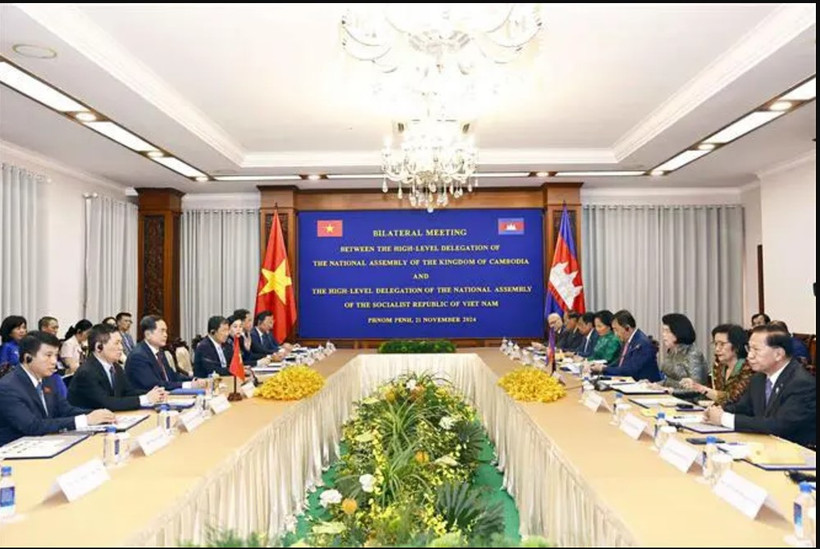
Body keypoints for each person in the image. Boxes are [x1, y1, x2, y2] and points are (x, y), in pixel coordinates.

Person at [704, 325, 816, 447]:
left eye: (756, 350)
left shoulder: (801, 383)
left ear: (778, 354)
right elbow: (743, 407)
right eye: (749, 349)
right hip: (765, 446)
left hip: (796, 453)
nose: (749, 356)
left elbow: (779, 425)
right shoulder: (759, 378)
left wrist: (725, 419)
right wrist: (717, 411)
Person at [0, 331, 115, 446]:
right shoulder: (8, 387)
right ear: (27, 358)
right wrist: (85, 420)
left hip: (45, 443)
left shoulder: (48, 379)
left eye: (56, 355)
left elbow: (65, 410)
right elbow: (32, 426)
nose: (54, 361)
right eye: (48, 355)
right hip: (15, 451)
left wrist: (97, 415)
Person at [68, 324, 166, 411]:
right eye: (117, 343)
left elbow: (128, 392)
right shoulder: (87, 372)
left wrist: (154, 393)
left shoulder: (115, 366)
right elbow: (107, 403)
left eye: (121, 343)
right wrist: (146, 399)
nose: (121, 348)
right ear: (99, 347)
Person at [125, 315, 207, 391]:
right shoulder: (138, 356)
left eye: (166, 331)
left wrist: (196, 380)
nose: (166, 335)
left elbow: (172, 376)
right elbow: (153, 385)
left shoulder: (159, 351)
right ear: (148, 335)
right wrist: (188, 385)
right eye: (162, 331)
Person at [681, 324, 752, 405]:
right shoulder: (720, 366)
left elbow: (734, 398)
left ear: (736, 346)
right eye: (715, 344)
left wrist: (701, 388)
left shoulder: (747, 368)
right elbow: (717, 397)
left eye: (722, 344)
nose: (717, 349)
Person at [591, 310, 660, 382]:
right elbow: (620, 363)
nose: (615, 334)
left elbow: (630, 370)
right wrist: (602, 367)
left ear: (627, 328)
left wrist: (603, 369)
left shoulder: (642, 344)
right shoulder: (628, 341)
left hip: (644, 386)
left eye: (616, 330)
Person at [657, 313, 708, 390]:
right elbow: (667, 380)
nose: (663, 335)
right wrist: (653, 385)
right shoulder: (672, 351)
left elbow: (696, 387)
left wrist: (670, 390)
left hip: (692, 400)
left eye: (667, 331)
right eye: (663, 331)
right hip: (671, 398)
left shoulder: (693, 354)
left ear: (677, 331)